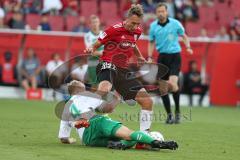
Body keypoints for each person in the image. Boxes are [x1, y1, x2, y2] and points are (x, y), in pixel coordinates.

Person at [85, 4, 157, 133]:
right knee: (105, 88)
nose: (135, 26)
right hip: (107, 64)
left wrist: (139, 57)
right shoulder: (113, 30)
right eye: (133, 23)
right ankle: (83, 114)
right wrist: (91, 49)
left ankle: (144, 137)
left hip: (123, 70)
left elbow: (133, 44)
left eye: (137, 24)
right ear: (127, 18)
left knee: (147, 101)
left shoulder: (137, 31)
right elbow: (96, 44)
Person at [58, 80, 178, 150]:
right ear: (79, 88)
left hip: (87, 139)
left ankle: (120, 144)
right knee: (130, 135)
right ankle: (156, 142)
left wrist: (70, 140)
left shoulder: (66, 108)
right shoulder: (87, 95)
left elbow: (63, 138)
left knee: (125, 140)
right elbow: (107, 108)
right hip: (96, 122)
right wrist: (118, 94)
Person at [148, 3, 193, 124]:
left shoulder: (175, 23)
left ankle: (177, 111)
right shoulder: (153, 26)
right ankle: (169, 115)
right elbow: (151, 42)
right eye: (159, 11)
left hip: (174, 56)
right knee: (162, 89)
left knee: (173, 85)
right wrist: (149, 56)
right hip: (162, 57)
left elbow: (184, 36)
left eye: (163, 11)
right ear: (156, 13)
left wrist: (188, 46)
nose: (161, 13)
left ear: (167, 12)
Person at [84, 15, 104, 89]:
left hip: (103, 62)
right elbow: (91, 52)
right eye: (93, 22)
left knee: (104, 83)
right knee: (94, 86)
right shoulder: (87, 36)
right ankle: (95, 100)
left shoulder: (104, 34)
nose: (95, 24)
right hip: (93, 63)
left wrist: (98, 53)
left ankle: (104, 100)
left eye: (96, 22)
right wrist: (102, 53)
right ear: (90, 24)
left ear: (99, 23)